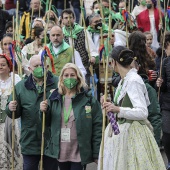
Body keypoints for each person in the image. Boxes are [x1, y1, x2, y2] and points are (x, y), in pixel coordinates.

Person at [98, 46, 166, 170]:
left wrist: (118, 109)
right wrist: (110, 104)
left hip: (133, 135)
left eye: (110, 62)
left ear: (114, 62)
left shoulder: (134, 81)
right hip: (121, 133)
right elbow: (124, 104)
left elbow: (142, 112)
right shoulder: (124, 80)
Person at [40, 63, 102, 170]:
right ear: (61, 78)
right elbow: (46, 123)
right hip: (61, 151)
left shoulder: (88, 100)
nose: (69, 78)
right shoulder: (54, 98)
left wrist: (96, 153)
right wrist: (43, 111)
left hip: (80, 151)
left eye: (72, 75)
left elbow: (97, 127)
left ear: (78, 78)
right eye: (66, 75)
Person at [6, 55, 58, 170]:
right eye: (36, 66)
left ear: (47, 66)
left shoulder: (57, 83)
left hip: (51, 140)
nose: (40, 68)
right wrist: (10, 108)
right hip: (30, 140)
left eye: (42, 65)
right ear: (29, 68)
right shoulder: (20, 86)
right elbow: (14, 114)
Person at [61, 9, 98, 85]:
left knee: (84, 87)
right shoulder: (61, 33)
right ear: (62, 20)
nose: (68, 20)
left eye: (70, 17)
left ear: (74, 18)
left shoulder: (82, 31)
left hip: (83, 65)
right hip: (67, 67)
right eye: (66, 18)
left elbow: (90, 47)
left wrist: (92, 56)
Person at [0, 54, 22, 169]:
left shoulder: (16, 79)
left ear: (9, 67)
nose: (1, 67)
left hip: (13, 120)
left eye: (3, 65)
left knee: (15, 147)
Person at [156, 31, 170, 170]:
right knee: (166, 137)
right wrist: (160, 83)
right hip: (167, 105)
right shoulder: (164, 62)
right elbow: (163, 85)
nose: (164, 50)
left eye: (165, 46)